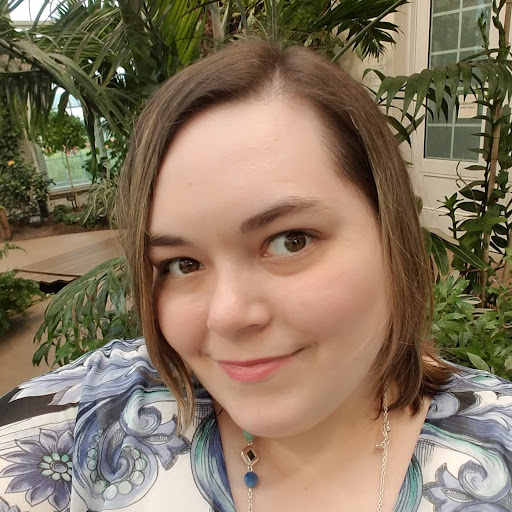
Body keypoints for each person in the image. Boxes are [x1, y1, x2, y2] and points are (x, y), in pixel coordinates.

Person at [1, 38, 512, 512]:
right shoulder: (92, 425)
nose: (228, 315)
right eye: (182, 264)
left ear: (391, 235)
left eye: (290, 241)